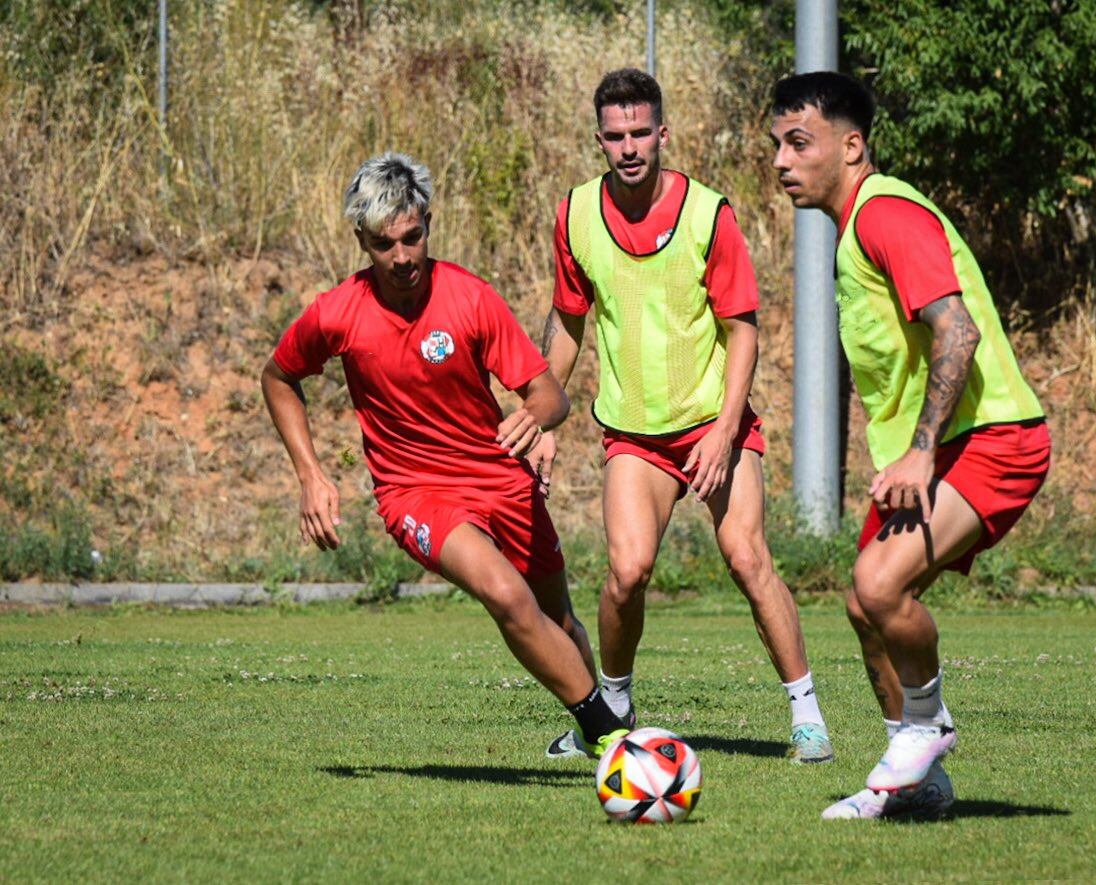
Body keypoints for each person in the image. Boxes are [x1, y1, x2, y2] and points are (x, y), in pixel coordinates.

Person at [261, 152, 627, 759]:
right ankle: (615, 734)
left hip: (500, 478)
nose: (402, 257)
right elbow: (278, 378)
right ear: (361, 239)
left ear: (428, 222)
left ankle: (597, 729)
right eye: (384, 244)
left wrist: (532, 419)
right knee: (505, 594)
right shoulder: (337, 312)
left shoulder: (471, 299)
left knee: (558, 622)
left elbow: (549, 395)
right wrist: (309, 475)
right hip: (415, 492)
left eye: (413, 237)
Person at [768, 72, 1051, 819]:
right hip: (944, 447)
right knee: (866, 607)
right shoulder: (856, 226)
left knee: (881, 585)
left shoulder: (885, 214)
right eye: (776, 145)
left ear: (851, 145)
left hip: (991, 438)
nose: (781, 161)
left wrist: (921, 450)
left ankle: (927, 727)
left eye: (800, 143)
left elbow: (957, 329)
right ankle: (919, 781)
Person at [536, 68, 833, 763]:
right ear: (599, 139)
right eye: (616, 135)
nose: (630, 146)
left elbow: (744, 329)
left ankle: (807, 717)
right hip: (634, 435)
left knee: (747, 557)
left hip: (712, 424)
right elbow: (568, 326)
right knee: (627, 571)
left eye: (642, 132)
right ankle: (610, 713)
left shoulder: (707, 213)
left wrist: (728, 431)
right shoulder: (575, 213)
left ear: (663, 133)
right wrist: (543, 419)